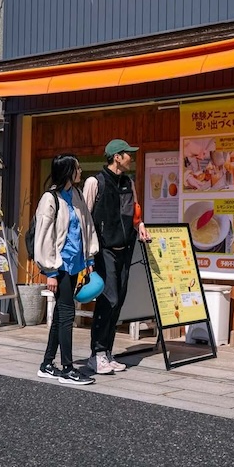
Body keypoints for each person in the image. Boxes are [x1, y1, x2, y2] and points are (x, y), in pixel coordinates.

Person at [83, 139, 150, 374]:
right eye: (128, 154)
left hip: (125, 249)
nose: (132, 157)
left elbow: (134, 212)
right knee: (108, 300)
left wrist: (140, 225)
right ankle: (96, 354)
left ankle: (107, 352)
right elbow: (85, 220)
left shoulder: (127, 182)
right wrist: (88, 257)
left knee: (118, 301)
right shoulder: (95, 182)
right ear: (117, 157)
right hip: (103, 251)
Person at [33, 154, 99, 385]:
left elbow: (87, 226)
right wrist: (50, 272)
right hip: (59, 266)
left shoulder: (77, 195)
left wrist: (89, 258)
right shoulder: (50, 199)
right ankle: (67, 368)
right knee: (67, 314)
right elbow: (44, 237)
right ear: (68, 171)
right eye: (77, 168)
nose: (80, 172)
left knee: (62, 314)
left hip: (74, 264)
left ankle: (47, 364)